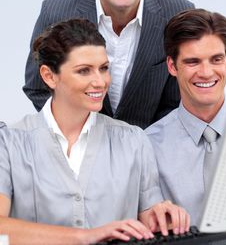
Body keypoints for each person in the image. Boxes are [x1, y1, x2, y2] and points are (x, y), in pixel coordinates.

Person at [0, 19, 190, 245]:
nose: (100, 82)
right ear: (49, 76)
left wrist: (163, 216)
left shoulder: (133, 141)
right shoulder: (9, 142)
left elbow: (149, 219)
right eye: (84, 71)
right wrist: (85, 237)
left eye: (104, 68)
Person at [23, 0, 194, 129]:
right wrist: (82, 136)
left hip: (152, 149)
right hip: (80, 150)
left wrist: (139, 145)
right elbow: (37, 88)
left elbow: (179, 99)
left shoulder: (177, 13)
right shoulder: (55, 13)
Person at [146, 9, 226, 225]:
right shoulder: (148, 147)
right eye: (193, 62)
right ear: (172, 66)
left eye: (216, 59)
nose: (206, 72)